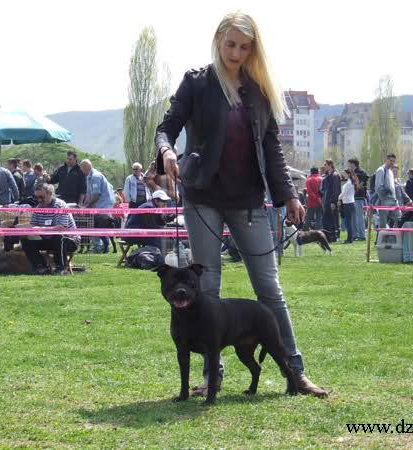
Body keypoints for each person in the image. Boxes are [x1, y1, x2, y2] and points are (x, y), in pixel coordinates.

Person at [155, 11, 328, 398]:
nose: (236, 53)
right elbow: (167, 127)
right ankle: (211, 376)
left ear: (253, 48)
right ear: (218, 39)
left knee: (269, 289)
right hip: (203, 199)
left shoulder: (258, 90)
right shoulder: (197, 82)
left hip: (249, 200)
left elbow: (271, 150)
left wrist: (289, 195)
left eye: (244, 47)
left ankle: (294, 371)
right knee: (207, 288)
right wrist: (166, 150)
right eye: (230, 44)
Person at [20, 183, 80, 275]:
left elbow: (61, 228)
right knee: (26, 240)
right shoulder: (38, 208)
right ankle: (41, 267)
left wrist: (40, 228)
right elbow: (33, 226)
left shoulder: (60, 205)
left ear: (50, 194)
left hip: (70, 239)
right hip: (48, 238)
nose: (39, 200)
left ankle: (61, 268)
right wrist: (25, 230)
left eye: (41, 197)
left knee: (59, 237)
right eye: (36, 197)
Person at [80, 159, 116, 253]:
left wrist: (87, 207)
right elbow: (89, 194)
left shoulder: (95, 177)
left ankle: (100, 247)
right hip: (99, 204)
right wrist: (84, 205)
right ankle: (101, 246)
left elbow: (96, 195)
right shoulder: (89, 177)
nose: (81, 170)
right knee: (96, 225)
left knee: (100, 226)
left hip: (103, 204)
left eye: (81, 168)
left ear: (84, 168)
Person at [375, 153, 399, 232]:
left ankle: (396, 237)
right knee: (383, 223)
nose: (392, 163)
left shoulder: (391, 172)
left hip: (393, 200)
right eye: (391, 161)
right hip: (384, 200)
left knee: (399, 218)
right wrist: (383, 197)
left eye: (394, 161)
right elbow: (378, 187)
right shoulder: (381, 170)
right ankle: (379, 241)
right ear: (387, 160)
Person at [347, 158, 368, 240]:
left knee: (359, 216)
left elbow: (363, 182)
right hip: (352, 197)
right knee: (353, 217)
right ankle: (355, 235)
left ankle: (362, 235)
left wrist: (359, 183)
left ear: (353, 164)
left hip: (359, 197)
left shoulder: (361, 171)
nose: (348, 166)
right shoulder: (351, 173)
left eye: (349, 164)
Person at [320, 159, 341, 241]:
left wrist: (333, 201)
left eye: (325, 164)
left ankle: (333, 237)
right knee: (326, 219)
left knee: (332, 220)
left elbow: (336, 190)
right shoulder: (327, 176)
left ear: (330, 165)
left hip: (331, 201)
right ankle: (327, 236)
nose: (324, 166)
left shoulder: (335, 175)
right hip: (326, 200)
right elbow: (324, 189)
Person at [338, 169, 355, 244]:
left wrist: (338, 198)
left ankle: (349, 239)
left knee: (348, 222)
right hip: (349, 203)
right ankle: (350, 238)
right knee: (349, 222)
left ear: (348, 174)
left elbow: (343, 193)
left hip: (348, 203)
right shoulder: (350, 182)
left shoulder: (349, 183)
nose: (343, 175)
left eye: (345, 173)